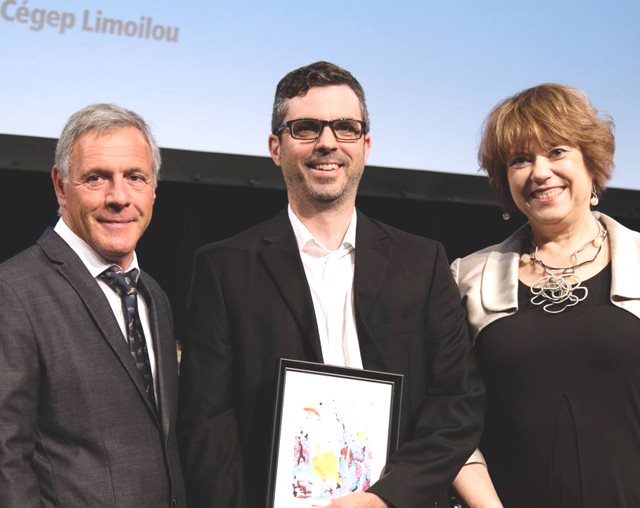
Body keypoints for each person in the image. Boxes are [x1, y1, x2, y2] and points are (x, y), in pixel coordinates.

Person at [178, 61, 484, 508]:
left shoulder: (423, 262)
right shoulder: (224, 268)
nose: (327, 143)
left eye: (345, 127)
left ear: (365, 144)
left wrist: (387, 497)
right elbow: (208, 424)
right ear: (275, 147)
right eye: (305, 128)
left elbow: (457, 405)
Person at [451, 83, 640, 507]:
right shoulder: (466, 279)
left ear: (591, 162)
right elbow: (447, 419)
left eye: (556, 151)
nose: (539, 172)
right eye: (520, 159)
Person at [0, 104, 186, 507]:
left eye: (135, 177)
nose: (119, 198)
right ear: (60, 186)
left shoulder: (155, 296)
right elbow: (5, 460)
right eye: (97, 178)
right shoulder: (12, 292)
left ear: (153, 189)